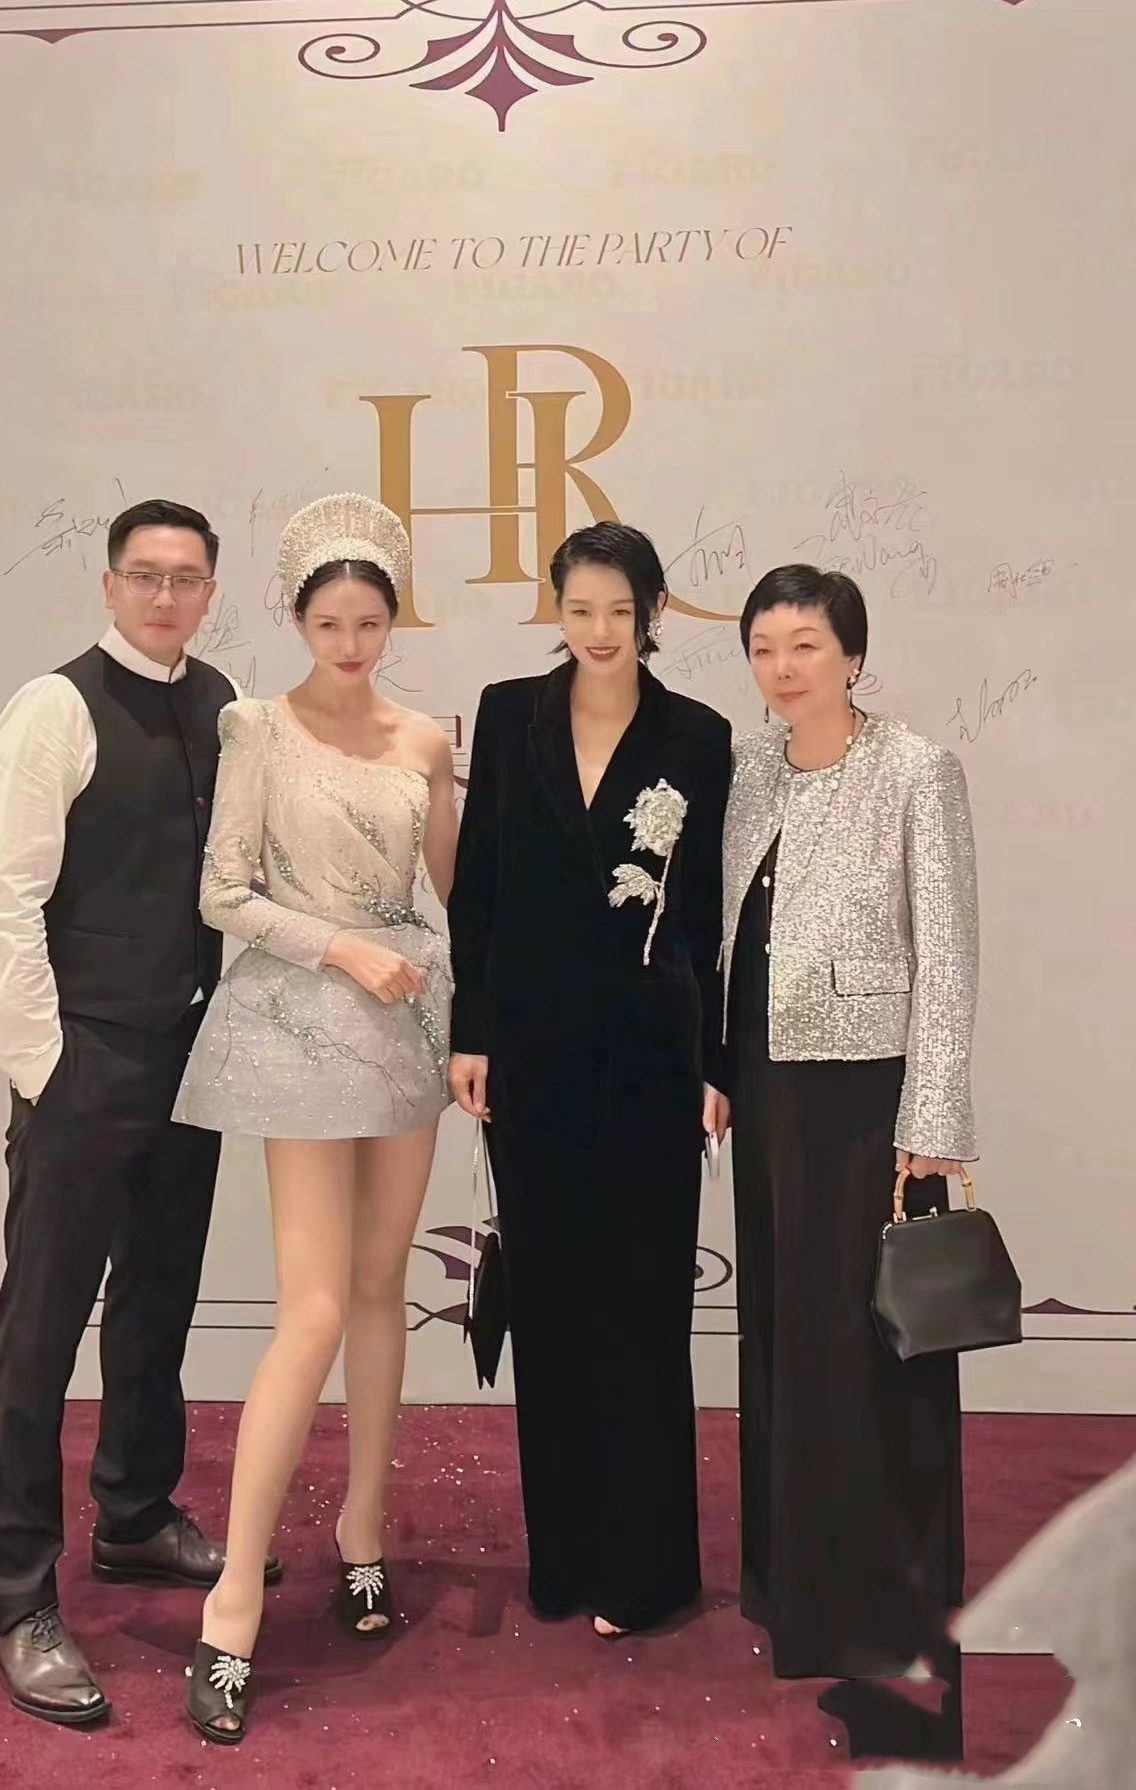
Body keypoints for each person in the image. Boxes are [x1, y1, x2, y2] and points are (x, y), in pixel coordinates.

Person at [0, 498, 279, 1726]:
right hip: (85, 1058)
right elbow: (5, 897)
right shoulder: (53, 708)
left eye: (185, 578)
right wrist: (43, 1067)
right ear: (108, 586)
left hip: (192, 1055)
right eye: (143, 575)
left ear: (210, 592)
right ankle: (16, 1591)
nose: (163, 595)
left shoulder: (224, 702)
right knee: (39, 1327)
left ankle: (136, 1512)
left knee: (159, 1294)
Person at [173, 493, 457, 1743]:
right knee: (316, 1305)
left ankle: (362, 1529)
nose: (349, 642)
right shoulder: (257, 727)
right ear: (298, 620)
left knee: (383, 1285)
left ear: (393, 622)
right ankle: (233, 1599)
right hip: (301, 1022)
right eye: (329, 622)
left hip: (406, 1025)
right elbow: (221, 891)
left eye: (369, 623)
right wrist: (339, 945)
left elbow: (459, 892)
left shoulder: (423, 739)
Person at [447, 520, 732, 1638]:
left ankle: (647, 1571)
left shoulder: (697, 735)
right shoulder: (507, 712)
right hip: (530, 1051)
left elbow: (704, 912)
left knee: (643, 1306)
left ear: (653, 611)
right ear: (555, 611)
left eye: (620, 610)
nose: (600, 630)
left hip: (652, 1056)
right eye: (580, 609)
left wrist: (713, 1063)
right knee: (554, 1302)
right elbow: (478, 885)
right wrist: (471, 1031)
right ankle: (563, 1557)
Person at [723, 563, 977, 1687]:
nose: (783, 669)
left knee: (864, 1336)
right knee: (784, 1325)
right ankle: (790, 1572)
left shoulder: (916, 768)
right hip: (764, 1082)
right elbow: (731, 935)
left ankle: (878, 1593)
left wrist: (934, 1112)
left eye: (806, 646)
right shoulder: (749, 768)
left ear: (853, 656)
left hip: (869, 1093)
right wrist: (715, 1068)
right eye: (764, 648)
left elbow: (948, 954)